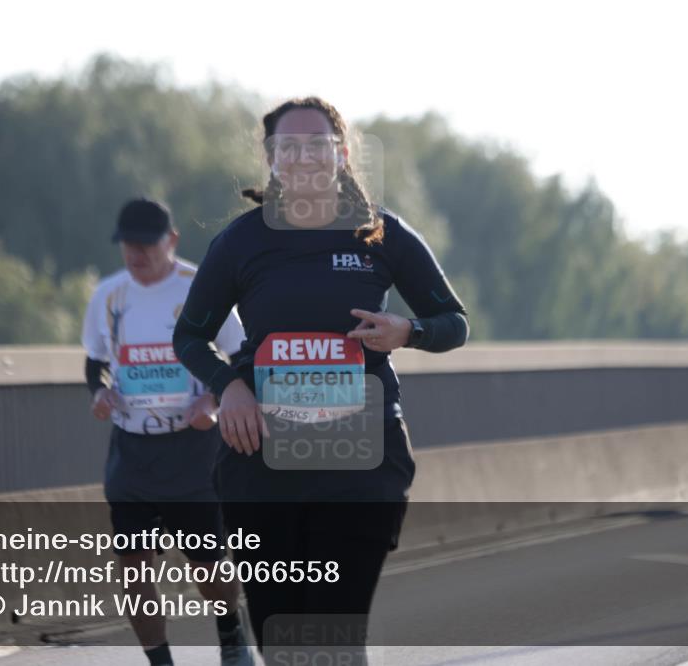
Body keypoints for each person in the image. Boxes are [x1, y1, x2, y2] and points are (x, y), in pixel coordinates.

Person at [172, 98, 469, 659]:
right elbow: (189, 336)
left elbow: (454, 323)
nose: (303, 156)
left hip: (361, 458)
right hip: (263, 462)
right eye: (289, 146)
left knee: (333, 633)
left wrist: (407, 331)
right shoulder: (241, 241)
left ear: (342, 153)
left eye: (317, 145)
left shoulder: (382, 234)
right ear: (271, 158)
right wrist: (228, 385)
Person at [82, 198, 254, 666]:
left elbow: (240, 358)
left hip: (192, 448)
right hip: (131, 450)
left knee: (208, 564)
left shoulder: (201, 287)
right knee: (134, 566)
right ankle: (160, 661)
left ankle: (231, 635)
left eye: (146, 245)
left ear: (171, 241)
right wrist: (99, 393)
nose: (136, 255)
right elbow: (96, 361)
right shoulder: (108, 295)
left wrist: (213, 401)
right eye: (128, 246)